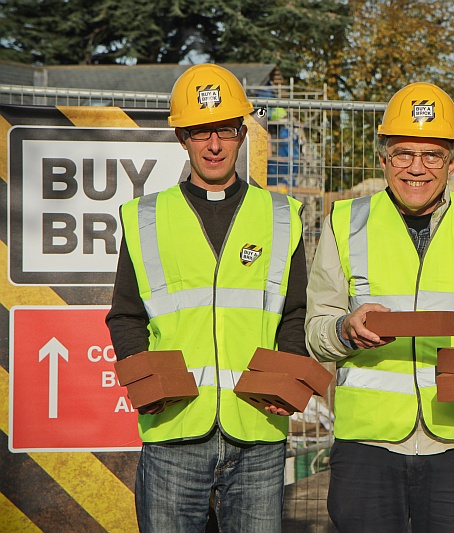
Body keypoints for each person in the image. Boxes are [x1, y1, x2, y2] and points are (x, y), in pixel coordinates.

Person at [305, 81, 454, 532]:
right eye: (403, 153)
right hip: (368, 443)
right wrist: (345, 329)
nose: (416, 168)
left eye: (432, 155)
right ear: (384, 159)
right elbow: (316, 331)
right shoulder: (344, 223)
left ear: (452, 161)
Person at [105, 63, 308, 532]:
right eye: (200, 132)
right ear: (182, 138)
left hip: (257, 431)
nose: (213, 145)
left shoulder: (281, 216)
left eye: (224, 130)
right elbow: (126, 317)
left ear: (242, 133)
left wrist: (285, 379)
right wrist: (144, 380)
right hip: (174, 429)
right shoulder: (146, 219)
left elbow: (295, 314)